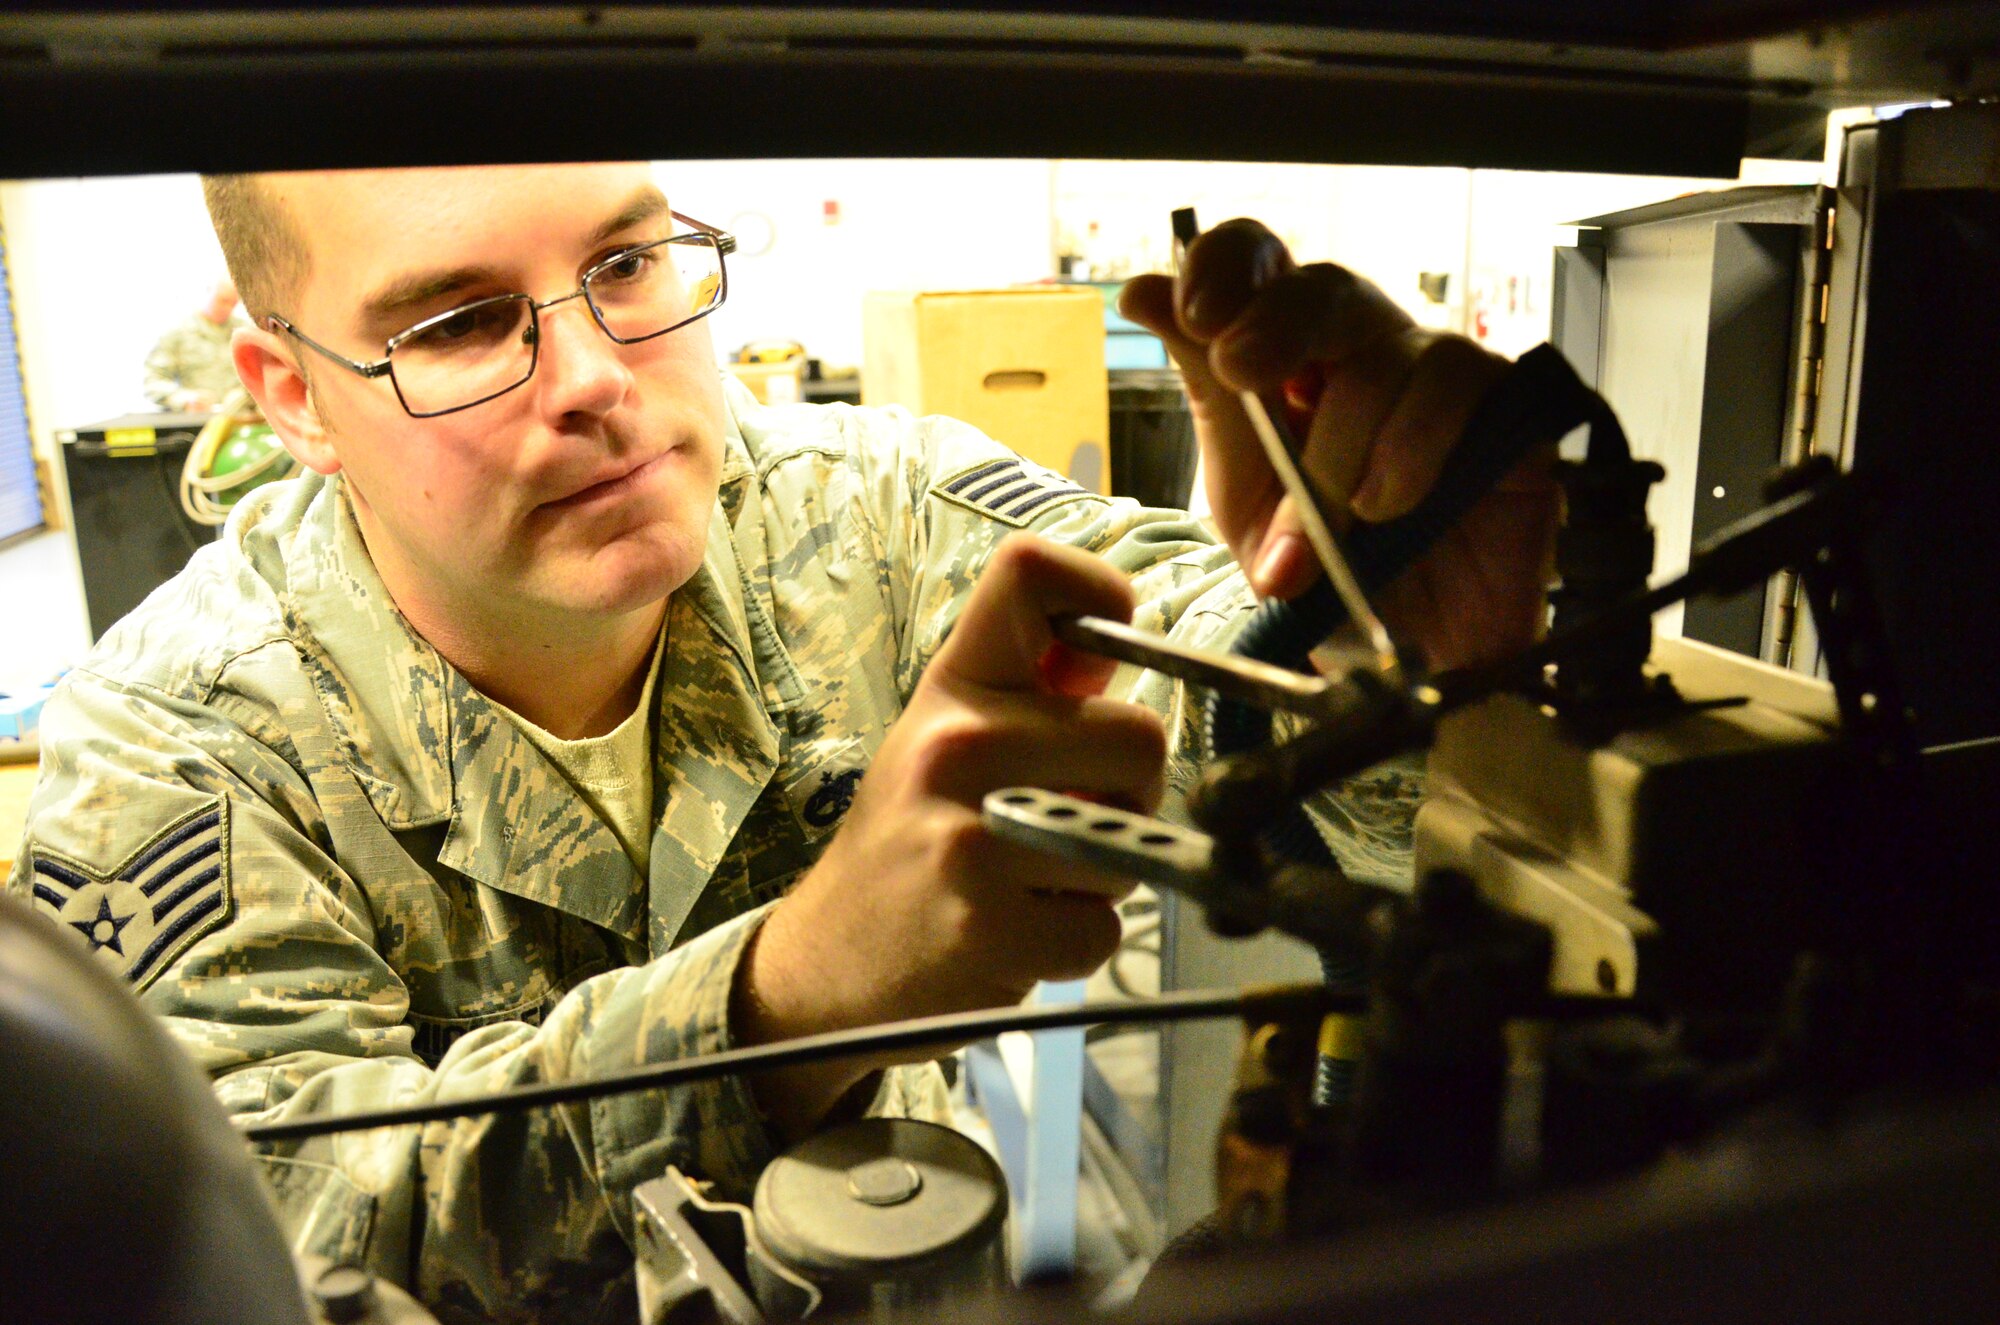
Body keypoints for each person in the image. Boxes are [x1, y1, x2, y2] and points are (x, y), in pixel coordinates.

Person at [9, 163, 1554, 1321]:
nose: (600, 379)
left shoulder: (867, 518)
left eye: (627, 261)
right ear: (291, 397)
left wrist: (1367, 622)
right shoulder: (173, 750)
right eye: (465, 322)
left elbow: (1204, 674)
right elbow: (265, 1247)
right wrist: (784, 993)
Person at [141, 276, 246, 412]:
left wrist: (244, 395)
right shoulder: (178, 332)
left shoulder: (243, 332)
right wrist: (184, 398)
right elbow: (153, 381)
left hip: (239, 418)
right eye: (222, 301)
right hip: (196, 419)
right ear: (208, 294)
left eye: (233, 304)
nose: (227, 308)